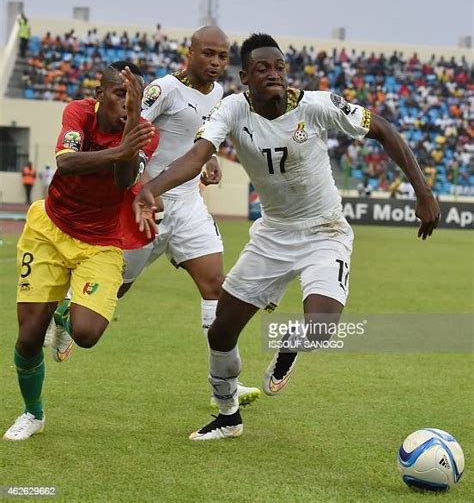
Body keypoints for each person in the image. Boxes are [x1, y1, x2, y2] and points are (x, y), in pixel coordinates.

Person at [133, 33, 441, 441]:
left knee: (321, 328)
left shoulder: (316, 105)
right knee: (221, 330)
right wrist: (152, 188)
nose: (274, 74)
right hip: (272, 236)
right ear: (245, 77)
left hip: (324, 231)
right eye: (262, 68)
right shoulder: (232, 109)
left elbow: (382, 129)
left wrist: (423, 191)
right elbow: (195, 156)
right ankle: (228, 416)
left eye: (279, 66)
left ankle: (290, 344)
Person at [3, 61, 158, 440]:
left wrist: (130, 135)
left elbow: (125, 181)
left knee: (86, 333)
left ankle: (66, 312)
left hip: (100, 243)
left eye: (134, 96)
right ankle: (33, 414)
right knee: (27, 337)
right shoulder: (77, 112)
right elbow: (67, 163)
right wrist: (121, 149)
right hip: (49, 230)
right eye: (120, 93)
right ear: (99, 94)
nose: (127, 102)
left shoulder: (145, 133)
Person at [119, 25, 260, 408]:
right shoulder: (163, 90)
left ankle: (225, 389)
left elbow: (198, 137)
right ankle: (68, 309)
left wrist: (210, 159)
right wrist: (142, 188)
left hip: (189, 203)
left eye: (222, 57)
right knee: (118, 286)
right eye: (208, 54)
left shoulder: (218, 94)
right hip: (147, 202)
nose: (215, 63)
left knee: (216, 285)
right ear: (190, 52)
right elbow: (130, 135)